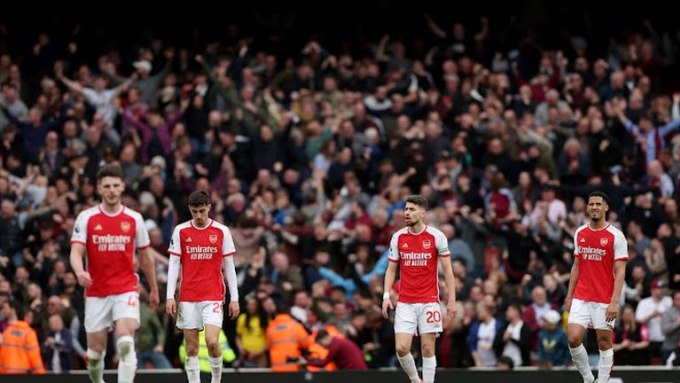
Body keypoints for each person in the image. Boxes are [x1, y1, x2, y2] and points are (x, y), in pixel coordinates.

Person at [70, 164, 159, 383]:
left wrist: (154, 288)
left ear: (122, 187)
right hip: (96, 291)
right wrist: (80, 272)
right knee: (94, 356)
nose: (111, 190)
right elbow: (75, 252)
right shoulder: (87, 218)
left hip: (125, 288)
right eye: (107, 186)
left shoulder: (134, 219)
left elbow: (147, 257)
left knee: (126, 342)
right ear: (99, 188)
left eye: (116, 186)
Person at [166, 190, 240, 383]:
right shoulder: (181, 231)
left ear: (209, 208)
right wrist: (170, 296)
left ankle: (216, 380)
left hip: (213, 294)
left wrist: (235, 299)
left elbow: (229, 266)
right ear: (190, 210)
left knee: (212, 341)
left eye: (201, 211)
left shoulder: (222, 231)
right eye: (194, 211)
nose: (198, 216)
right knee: (191, 348)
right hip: (188, 296)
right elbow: (174, 264)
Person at [382, 194, 457, 383]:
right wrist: (385, 296)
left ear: (423, 213)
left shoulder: (436, 237)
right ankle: (416, 380)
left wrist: (451, 300)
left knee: (428, 348)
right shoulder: (398, 238)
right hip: (405, 301)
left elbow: (448, 271)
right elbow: (391, 270)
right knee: (401, 348)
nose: (407, 213)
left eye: (412, 209)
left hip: (429, 300)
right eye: (406, 209)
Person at [565, 191, 628, 383]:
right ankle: (588, 379)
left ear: (605, 207)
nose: (594, 207)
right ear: (587, 207)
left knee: (604, 342)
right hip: (581, 296)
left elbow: (620, 272)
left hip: (604, 298)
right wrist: (569, 295)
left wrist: (614, 302)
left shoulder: (616, 236)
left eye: (598, 204)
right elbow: (576, 266)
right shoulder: (580, 233)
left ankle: (602, 382)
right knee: (573, 339)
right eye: (591, 204)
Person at [0, 300, 45, 374]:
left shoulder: (7, 332)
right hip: (22, 375)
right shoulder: (28, 332)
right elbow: (34, 356)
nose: (2, 311)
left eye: (4, 308)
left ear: (13, 309)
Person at [300, 328, 368, 370]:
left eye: (321, 344)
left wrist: (306, 362)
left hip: (355, 372)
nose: (322, 347)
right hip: (357, 371)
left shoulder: (335, 345)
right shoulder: (338, 342)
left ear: (326, 337)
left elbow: (323, 363)